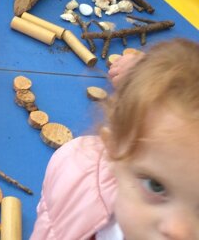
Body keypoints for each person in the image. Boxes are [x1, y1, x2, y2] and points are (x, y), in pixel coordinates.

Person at [31, 38, 199, 239]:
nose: (179, 232)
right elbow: (49, 226)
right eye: (156, 186)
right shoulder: (72, 174)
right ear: (112, 151)